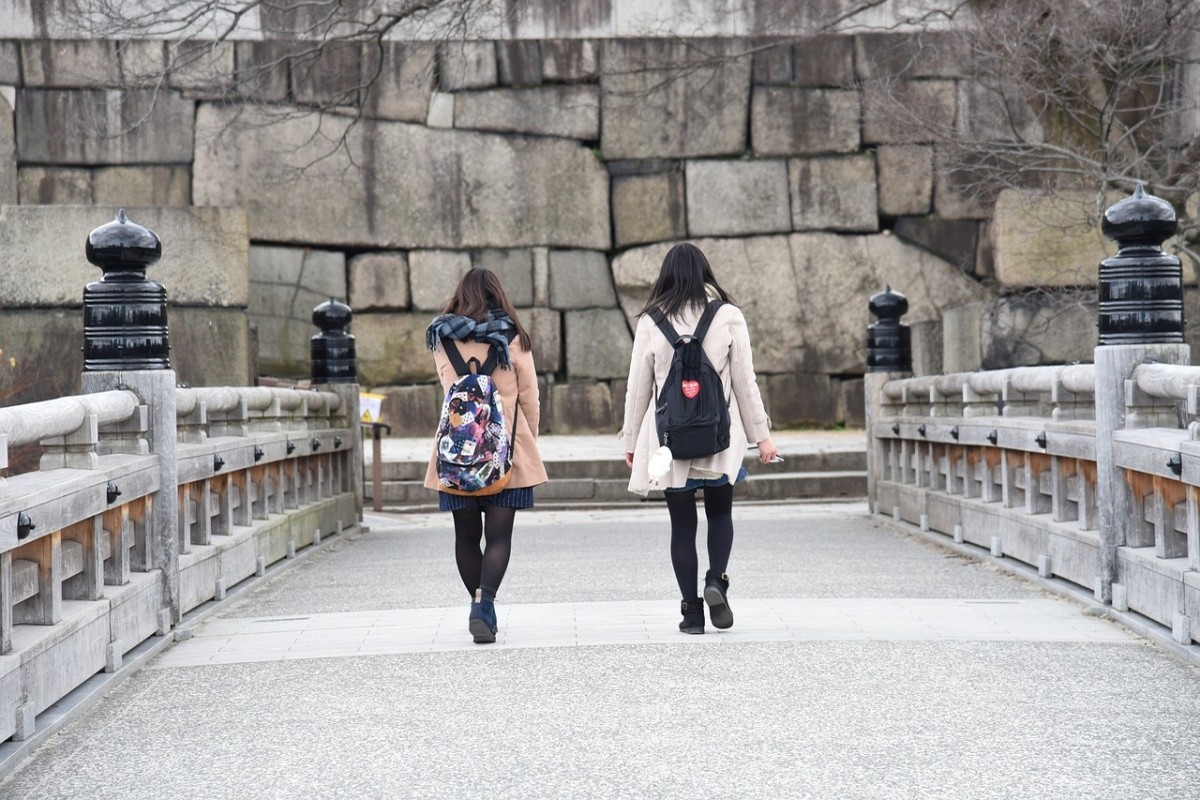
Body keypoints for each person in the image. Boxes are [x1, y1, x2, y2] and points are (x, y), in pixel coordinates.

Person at [620, 242, 778, 635]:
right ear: (705, 273)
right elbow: (744, 383)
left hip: (669, 441)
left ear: (666, 276)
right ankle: (715, 580)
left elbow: (637, 389)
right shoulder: (727, 316)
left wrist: (629, 439)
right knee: (720, 513)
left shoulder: (651, 321)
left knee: (681, 526)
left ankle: (691, 613)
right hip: (720, 438)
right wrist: (763, 437)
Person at [424, 268, 547, 644]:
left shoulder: (441, 339)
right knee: (498, 536)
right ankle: (485, 602)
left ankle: (478, 605)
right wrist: (529, 442)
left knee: (465, 537)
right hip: (504, 452)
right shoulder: (512, 337)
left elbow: (449, 392)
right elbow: (530, 398)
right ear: (498, 295)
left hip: (456, 454)